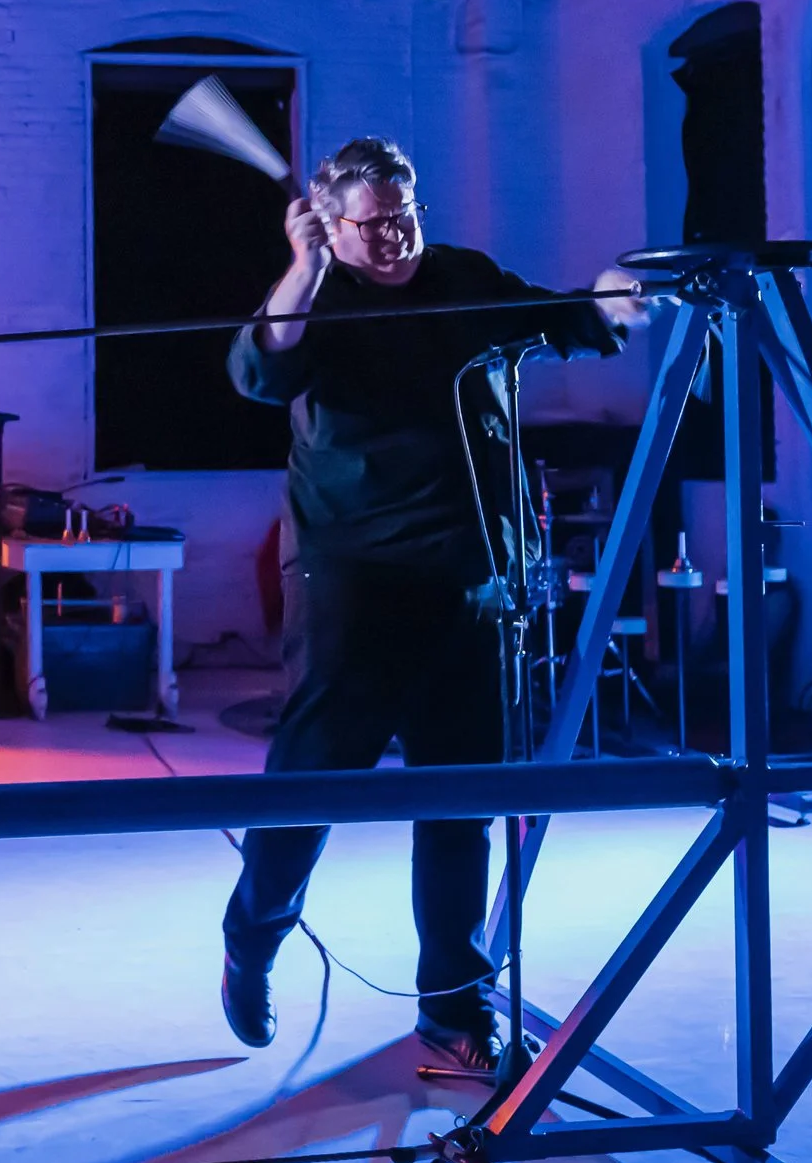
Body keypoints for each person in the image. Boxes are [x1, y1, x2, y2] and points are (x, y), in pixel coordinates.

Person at [218, 137, 651, 1072]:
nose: (395, 235)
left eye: (405, 214)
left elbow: (561, 317)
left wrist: (613, 297)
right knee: (310, 784)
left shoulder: (463, 278)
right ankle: (252, 940)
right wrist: (302, 269)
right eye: (372, 223)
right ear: (331, 226)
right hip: (354, 577)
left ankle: (453, 1006)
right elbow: (260, 370)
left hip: (473, 578)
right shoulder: (316, 294)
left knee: (460, 800)